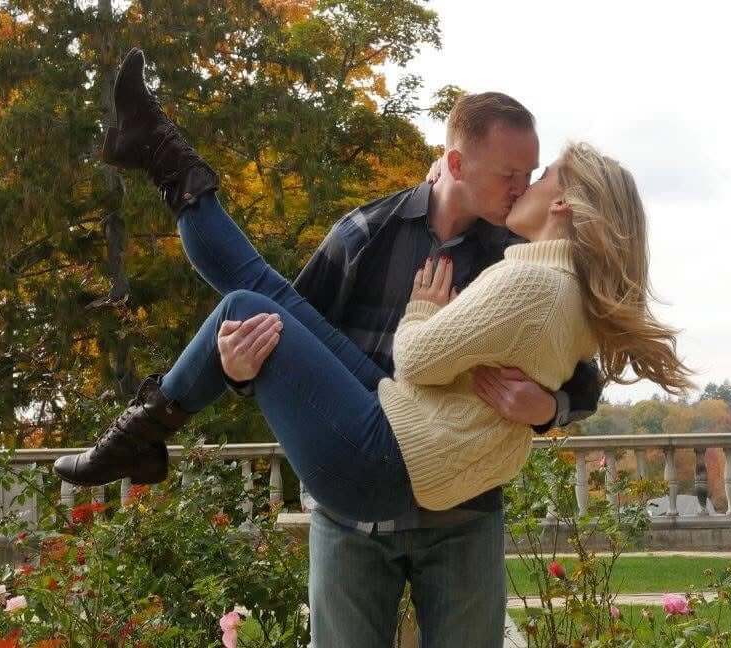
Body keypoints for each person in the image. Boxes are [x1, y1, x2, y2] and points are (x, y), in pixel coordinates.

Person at [54, 48, 691, 645]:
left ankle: (147, 418)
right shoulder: (366, 233)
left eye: (532, 174)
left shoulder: (518, 261)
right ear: (457, 164)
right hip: (368, 468)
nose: (521, 187)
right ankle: (161, 154)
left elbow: (580, 381)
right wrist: (240, 370)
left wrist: (545, 408)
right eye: (511, 174)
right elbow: (294, 342)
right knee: (256, 298)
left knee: (250, 293)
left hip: (456, 508)